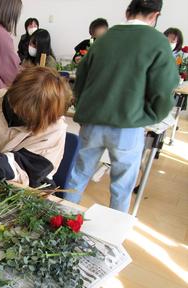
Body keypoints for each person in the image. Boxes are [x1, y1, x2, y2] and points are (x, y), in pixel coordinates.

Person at [63, 0, 179, 213]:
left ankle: (62, 220)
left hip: (92, 121)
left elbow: (81, 79)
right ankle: (110, 238)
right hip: (128, 124)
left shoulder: (104, 39)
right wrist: (150, 116)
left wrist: (83, 106)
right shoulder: (157, 42)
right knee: (122, 186)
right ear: (155, 15)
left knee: (78, 174)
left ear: (127, 11)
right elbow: (164, 88)